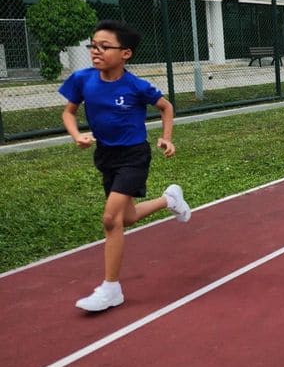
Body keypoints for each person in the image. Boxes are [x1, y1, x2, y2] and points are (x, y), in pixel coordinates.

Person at [60, 20, 191, 312]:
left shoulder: (135, 86)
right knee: (127, 217)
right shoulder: (82, 79)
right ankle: (170, 199)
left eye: (104, 47)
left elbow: (165, 106)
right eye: (93, 45)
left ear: (125, 54)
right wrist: (76, 135)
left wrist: (166, 138)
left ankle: (111, 289)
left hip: (134, 155)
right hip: (106, 156)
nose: (96, 51)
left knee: (110, 219)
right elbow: (68, 112)